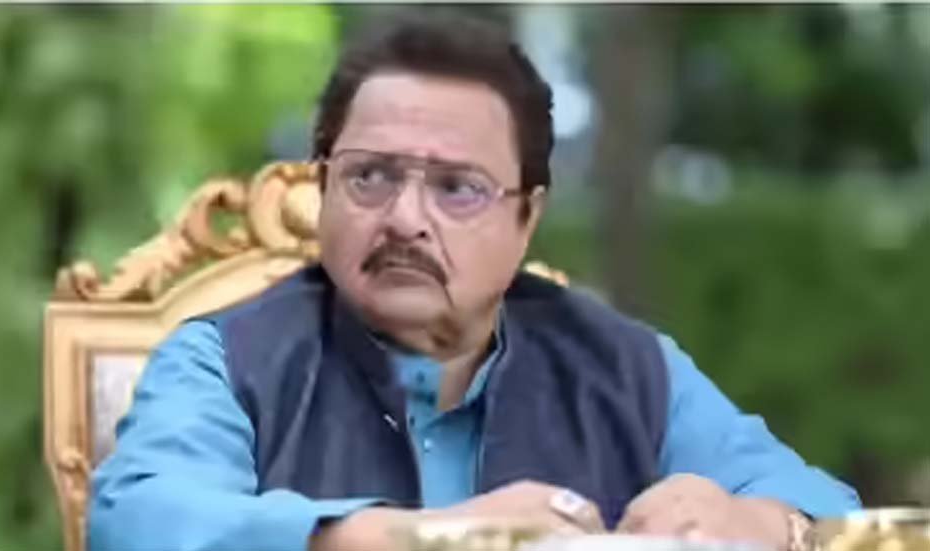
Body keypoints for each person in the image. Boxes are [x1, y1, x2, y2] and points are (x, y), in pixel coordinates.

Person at [89, 12, 859, 551]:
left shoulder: (627, 367)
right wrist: (412, 539)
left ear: (526, 219)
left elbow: (833, 510)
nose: (404, 219)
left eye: (456, 188)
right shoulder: (224, 358)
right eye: (370, 177)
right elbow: (137, 522)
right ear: (322, 189)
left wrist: (757, 522)